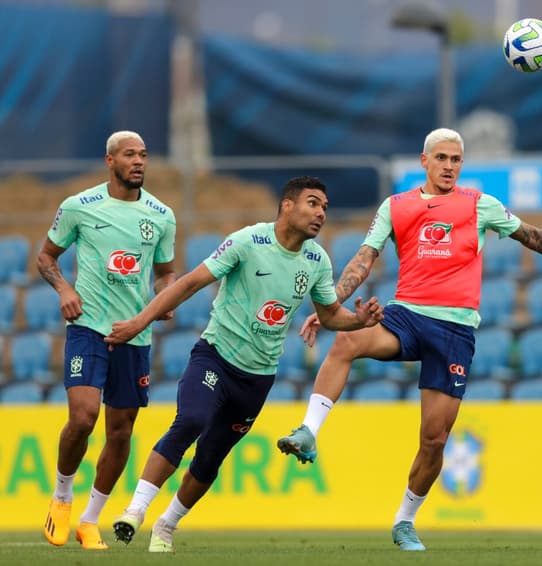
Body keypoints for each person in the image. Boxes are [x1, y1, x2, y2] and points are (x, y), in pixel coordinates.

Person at [277, 128, 542, 551]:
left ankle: (405, 520)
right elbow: (364, 260)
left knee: (434, 439)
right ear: (425, 161)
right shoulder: (396, 206)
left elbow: (531, 235)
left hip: (455, 329)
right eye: (441, 158)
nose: (449, 166)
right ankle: (309, 431)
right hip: (406, 314)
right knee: (347, 341)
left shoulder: (479, 204)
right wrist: (330, 306)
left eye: (456, 160)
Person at [105, 175, 383, 553]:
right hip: (215, 357)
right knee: (190, 420)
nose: (321, 213)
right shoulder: (248, 241)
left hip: (257, 379)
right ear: (287, 205)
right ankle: (134, 511)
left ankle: (166, 526)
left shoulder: (317, 261)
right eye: (313, 203)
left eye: (325, 208)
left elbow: (330, 314)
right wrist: (141, 320)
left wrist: (358, 321)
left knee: (209, 459)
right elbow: (190, 282)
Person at [37, 130, 178, 550]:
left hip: (134, 334)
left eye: (144, 155)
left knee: (120, 433)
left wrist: (164, 297)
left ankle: (90, 519)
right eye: (129, 154)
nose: (138, 161)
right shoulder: (79, 206)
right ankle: (62, 498)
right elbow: (46, 257)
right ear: (109, 160)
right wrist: (65, 290)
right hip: (88, 327)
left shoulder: (162, 215)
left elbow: (166, 272)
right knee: (82, 418)